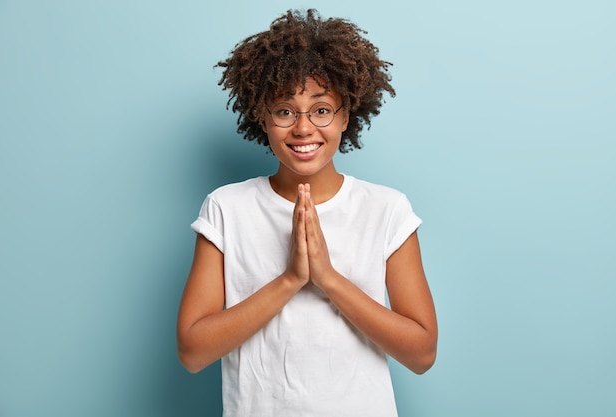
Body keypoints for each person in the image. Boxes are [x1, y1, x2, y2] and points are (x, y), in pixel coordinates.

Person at [177, 9, 437, 417]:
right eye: (284, 111)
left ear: (346, 117)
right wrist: (292, 279)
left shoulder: (386, 209)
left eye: (321, 110)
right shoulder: (226, 208)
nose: (302, 129)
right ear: (262, 117)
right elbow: (192, 351)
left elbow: (422, 354)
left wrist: (328, 278)